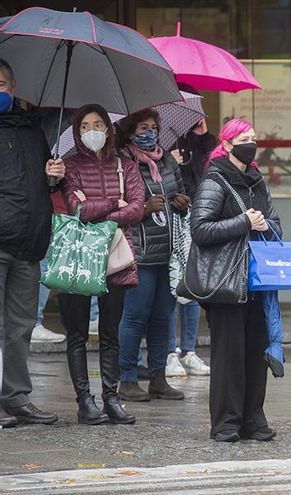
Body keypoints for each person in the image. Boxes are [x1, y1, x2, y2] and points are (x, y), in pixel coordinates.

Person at [191, 118, 279, 442]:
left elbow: (275, 222)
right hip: (226, 280)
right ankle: (226, 422)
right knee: (229, 355)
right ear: (227, 145)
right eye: (244, 138)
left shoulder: (257, 181)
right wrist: (243, 222)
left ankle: (253, 419)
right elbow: (200, 230)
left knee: (257, 351)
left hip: (257, 279)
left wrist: (265, 225)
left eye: (254, 137)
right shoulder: (215, 181)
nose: (251, 143)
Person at [58, 104, 145, 424]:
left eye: (97, 124)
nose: (91, 131)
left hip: (115, 257)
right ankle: (84, 401)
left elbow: (137, 209)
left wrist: (98, 210)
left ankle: (112, 397)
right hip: (80, 257)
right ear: (76, 132)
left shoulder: (126, 166)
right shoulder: (69, 166)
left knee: (110, 333)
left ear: (108, 129)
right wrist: (113, 203)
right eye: (84, 126)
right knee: (78, 333)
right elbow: (75, 208)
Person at [0, 58, 65, 427]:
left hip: (29, 242)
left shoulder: (32, 129)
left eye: (1, 85)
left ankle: (16, 397)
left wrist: (54, 176)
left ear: (13, 86)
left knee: (21, 326)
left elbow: (42, 184)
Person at [116, 109, 188, 402]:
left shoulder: (167, 159)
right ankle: (128, 379)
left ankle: (158, 377)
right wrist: (143, 209)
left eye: (153, 127)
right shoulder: (122, 161)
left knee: (163, 317)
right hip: (139, 252)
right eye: (142, 127)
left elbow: (180, 191)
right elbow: (117, 205)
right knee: (135, 317)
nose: (149, 132)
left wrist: (182, 202)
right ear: (130, 131)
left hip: (168, 253)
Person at [165, 118, 215, 378]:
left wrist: (203, 136)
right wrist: (168, 158)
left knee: (193, 286)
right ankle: (169, 352)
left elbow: (210, 168)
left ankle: (189, 350)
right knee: (174, 285)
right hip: (169, 219)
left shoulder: (198, 142)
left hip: (196, 217)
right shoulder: (161, 139)